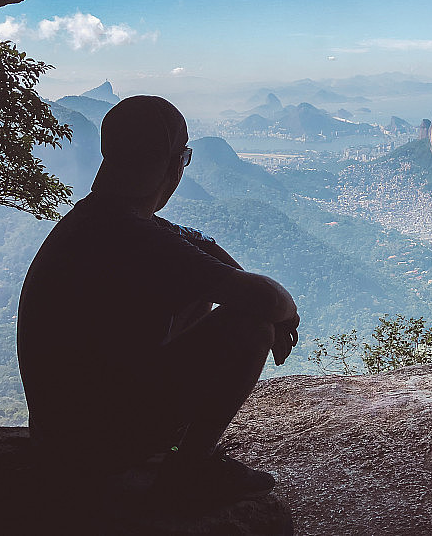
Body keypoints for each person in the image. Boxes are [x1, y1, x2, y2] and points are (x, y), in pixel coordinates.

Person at [17, 95, 299, 504]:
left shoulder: (98, 219)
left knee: (201, 294)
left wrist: (230, 277)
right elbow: (265, 298)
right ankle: (188, 469)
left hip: (61, 438)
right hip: (95, 448)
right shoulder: (133, 237)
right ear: (172, 165)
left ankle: (173, 447)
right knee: (251, 325)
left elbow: (190, 241)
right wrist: (282, 314)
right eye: (184, 158)